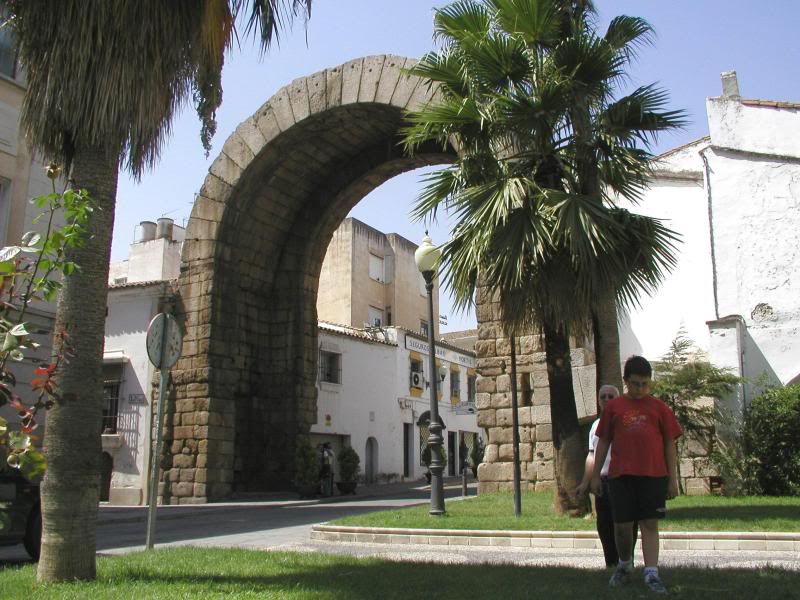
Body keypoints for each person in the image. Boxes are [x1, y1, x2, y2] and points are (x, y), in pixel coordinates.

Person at [591, 356, 682, 595]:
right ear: (625, 381)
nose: (640, 389)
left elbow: (670, 445)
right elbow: (603, 443)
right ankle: (624, 564)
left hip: (653, 475)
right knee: (622, 527)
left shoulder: (660, 408)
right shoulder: (614, 408)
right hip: (621, 476)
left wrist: (673, 480)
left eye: (644, 384)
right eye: (634, 384)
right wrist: (594, 476)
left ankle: (651, 572)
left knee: (650, 523)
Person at [576, 384, 637, 568]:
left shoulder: (627, 422)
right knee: (604, 524)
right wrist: (585, 482)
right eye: (603, 397)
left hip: (624, 479)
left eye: (611, 396)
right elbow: (592, 455)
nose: (607, 400)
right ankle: (610, 563)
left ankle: (626, 561)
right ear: (598, 400)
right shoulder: (595, 426)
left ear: (618, 399)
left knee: (627, 523)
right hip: (602, 480)